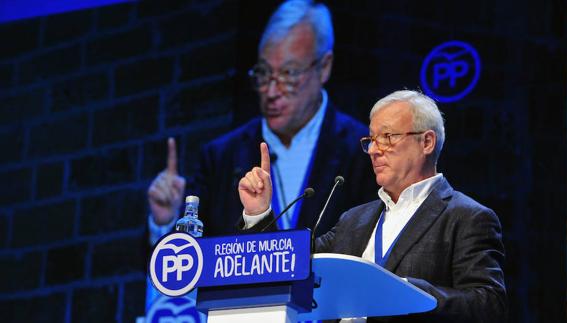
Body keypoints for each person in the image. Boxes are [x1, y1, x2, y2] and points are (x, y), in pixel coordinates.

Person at [238, 90, 507, 323]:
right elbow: (283, 263)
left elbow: (488, 305)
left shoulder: (466, 217)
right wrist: (259, 212)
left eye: (388, 137)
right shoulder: (353, 220)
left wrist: (405, 293)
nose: (375, 150)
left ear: (426, 142)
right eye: (371, 140)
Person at [147, 0, 377, 243]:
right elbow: (187, 260)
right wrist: (166, 222)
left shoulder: (361, 151)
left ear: (324, 67)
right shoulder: (221, 158)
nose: (271, 90)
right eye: (264, 73)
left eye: (289, 74)